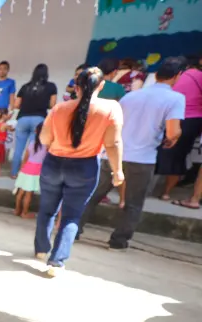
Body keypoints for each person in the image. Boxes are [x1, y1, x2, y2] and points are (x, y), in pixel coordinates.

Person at [79, 58, 185, 247]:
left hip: (113, 153)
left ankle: (73, 229)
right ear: (177, 76)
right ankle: (118, 241)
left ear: (156, 75)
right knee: (133, 203)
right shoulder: (176, 99)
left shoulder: (131, 96)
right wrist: (174, 137)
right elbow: (172, 132)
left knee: (93, 195)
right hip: (142, 158)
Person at [36, 67, 124, 277]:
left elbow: (44, 139)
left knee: (47, 209)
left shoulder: (59, 109)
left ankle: (41, 249)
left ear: (76, 87)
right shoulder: (111, 108)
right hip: (84, 167)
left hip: (53, 163)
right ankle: (56, 262)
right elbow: (112, 143)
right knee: (71, 216)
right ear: (101, 85)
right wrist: (117, 171)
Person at [158, 58, 202, 208]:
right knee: (179, 156)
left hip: (172, 116)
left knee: (158, 151)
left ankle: (145, 188)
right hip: (193, 120)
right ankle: (166, 192)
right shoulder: (199, 76)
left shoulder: (175, 77)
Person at [11, 64, 57, 177]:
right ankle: (26, 173)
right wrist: (43, 103)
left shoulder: (25, 87)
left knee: (18, 148)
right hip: (39, 120)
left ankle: (14, 173)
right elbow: (53, 105)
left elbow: (16, 105)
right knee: (33, 148)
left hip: (22, 119)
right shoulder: (51, 86)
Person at [13, 122, 46, 219]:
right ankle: (24, 213)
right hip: (35, 172)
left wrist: (20, 170)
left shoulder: (31, 144)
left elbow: (25, 159)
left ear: (36, 131)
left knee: (20, 192)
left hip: (25, 170)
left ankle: (17, 210)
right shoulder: (47, 146)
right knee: (28, 194)